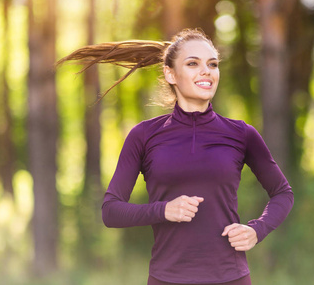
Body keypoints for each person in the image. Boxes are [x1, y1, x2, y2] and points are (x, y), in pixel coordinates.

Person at [58, 29, 294, 285]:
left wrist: (257, 230)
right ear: (171, 74)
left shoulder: (241, 134)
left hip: (231, 277)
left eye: (212, 64)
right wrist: (164, 210)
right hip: (166, 278)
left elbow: (282, 193)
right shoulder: (144, 136)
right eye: (193, 63)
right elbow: (111, 211)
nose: (206, 71)